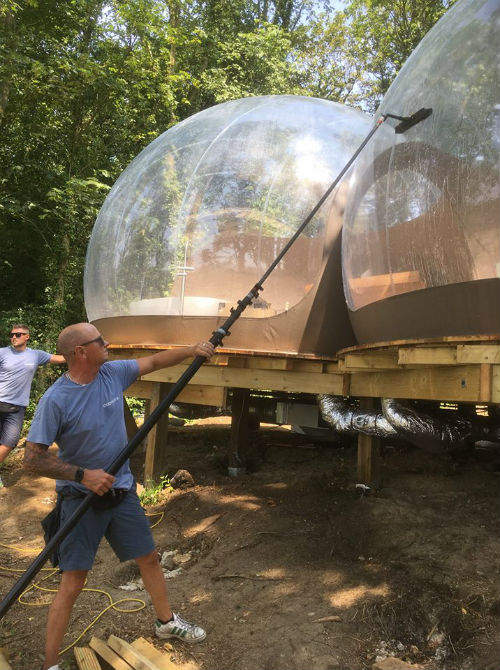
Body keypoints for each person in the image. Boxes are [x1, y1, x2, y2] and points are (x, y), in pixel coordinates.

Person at [24, 322, 215, 670]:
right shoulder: (56, 400)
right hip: (81, 501)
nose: (107, 342)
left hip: (122, 493)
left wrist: (193, 350)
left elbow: (155, 362)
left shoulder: (111, 373)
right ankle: (50, 664)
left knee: (150, 558)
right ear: (80, 352)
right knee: (73, 581)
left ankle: (166, 622)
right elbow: (32, 458)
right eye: (99, 340)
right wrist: (82, 475)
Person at [0, 323, 65, 487]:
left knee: (10, 442)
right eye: (12, 334)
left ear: (27, 337)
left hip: (17, 408)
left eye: (18, 334)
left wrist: (80, 348)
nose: (14, 337)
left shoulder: (36, 355)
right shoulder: (3, 353)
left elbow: (61, 359)